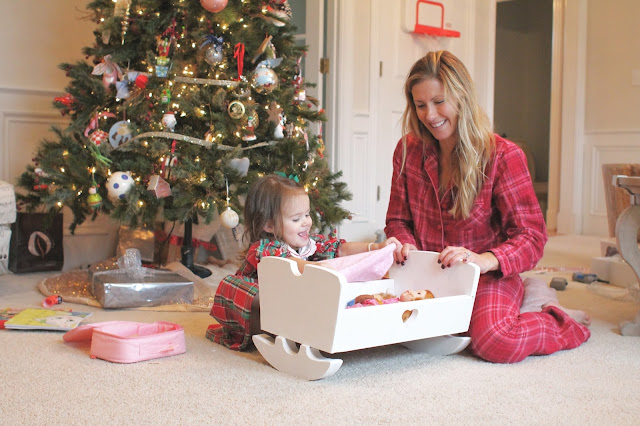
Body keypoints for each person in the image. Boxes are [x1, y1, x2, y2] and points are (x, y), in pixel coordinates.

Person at [384, 50, 590, 363]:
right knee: (381, 320)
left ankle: (558, 319)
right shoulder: (407, 150)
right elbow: (398, 220)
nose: (430, 115)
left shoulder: (503, 156)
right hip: (427, 273)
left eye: (439, 101)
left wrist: (483, 260)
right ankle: (530, 296)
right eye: (420, 104)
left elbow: (532, 237)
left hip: (486, 275)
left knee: (495, 340)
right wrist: (404, 243)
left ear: (462, 97)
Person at [207, 174, 400, 350]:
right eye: (296, 219)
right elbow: (292, 265)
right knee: (243, 288)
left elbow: (340, 248)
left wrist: (374, 247)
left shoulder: (309, 243)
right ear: (269, 225)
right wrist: (320, 268)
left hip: (292, 302)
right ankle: (272, 330)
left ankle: (303, 325)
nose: (306, 222)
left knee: (315, 285)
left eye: (307, 215)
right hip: (260, 309)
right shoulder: (266, 248)